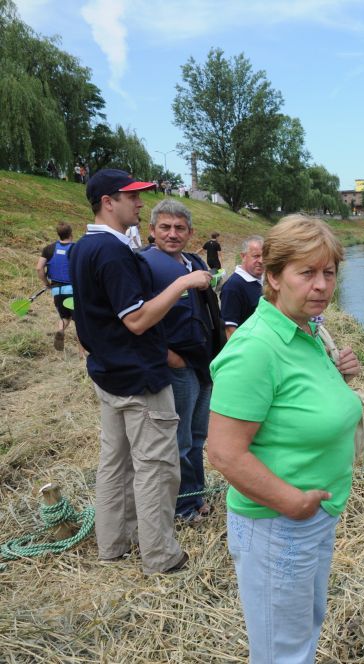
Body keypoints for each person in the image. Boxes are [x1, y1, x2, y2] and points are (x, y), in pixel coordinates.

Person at [206, 214, 361, 662]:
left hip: (314, 516)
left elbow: (297, 406)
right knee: (282, 652)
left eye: (329, 273)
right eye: (307, 272)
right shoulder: (256, 347)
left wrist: (338, 375)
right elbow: (223, 451)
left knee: (300, 634)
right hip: (278, 524)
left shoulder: (305, 330)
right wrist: (293, 503)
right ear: (272, 277)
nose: (322, 286)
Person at [69, 168, 212, 575]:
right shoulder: (113, 252)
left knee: (115, 462)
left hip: (108, 373)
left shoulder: (84, 247)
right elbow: (136, 319)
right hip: (139, 378)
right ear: (107, 202)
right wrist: (185, 283)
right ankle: (161, 556)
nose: (139, 203)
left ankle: (114, 543)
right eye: (131, 197)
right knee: (157, 466)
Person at [145, 199, 225, 524]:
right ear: (152, 231)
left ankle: (196, 496)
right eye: (165, 227)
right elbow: (136, 320)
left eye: (180, 228)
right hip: (178, 365)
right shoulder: (144, 265)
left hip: (204, 362)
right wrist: (170, 357)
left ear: (191, 232)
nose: (172, 233)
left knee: (198, 436)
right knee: (178, 440)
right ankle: (180, 507)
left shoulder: (193, 261)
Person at [35, 222, 79, 353]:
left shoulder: (48, 248)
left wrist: (46, 283)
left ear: (58, 234)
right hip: (73, 289)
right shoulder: (77, 248)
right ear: (71, 234)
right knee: (79, 320)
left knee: (65, 317)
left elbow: (39, 268)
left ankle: (60, 330)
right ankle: (82, 352)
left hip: (56, 289)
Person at [220, 235, 264, 338]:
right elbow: (230, 331)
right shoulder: (233, 287)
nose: (261, 261)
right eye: (256, 256)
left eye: (265, 256)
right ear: (243, 256)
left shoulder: (263, 280)